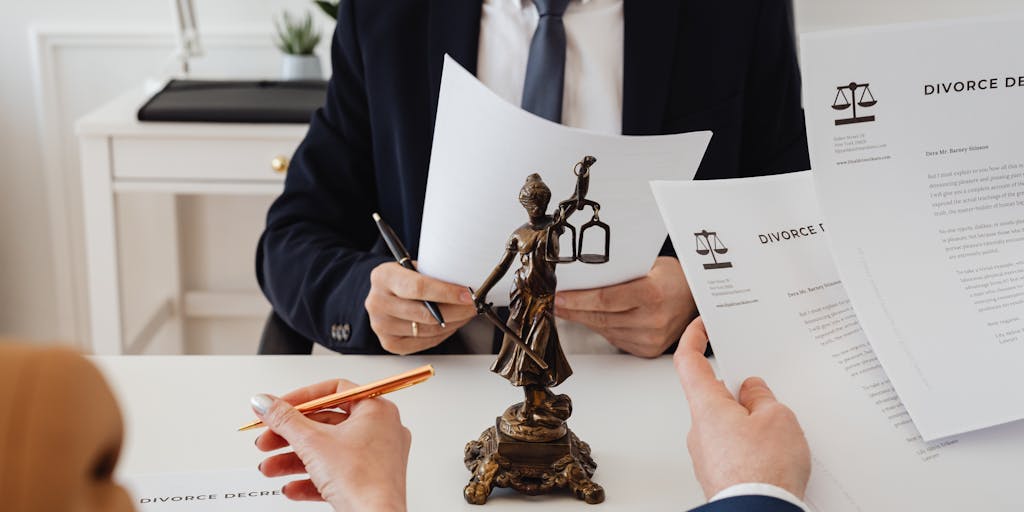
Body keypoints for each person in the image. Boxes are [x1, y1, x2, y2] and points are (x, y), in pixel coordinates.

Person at [257, 0, 810, 357]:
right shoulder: (386, 15)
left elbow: (804, 222)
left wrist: (705, 296)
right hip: (440, 393)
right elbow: (291, 240)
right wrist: (369, 297)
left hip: (667, 395)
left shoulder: (740, 14)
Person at [250, 315, 812, 511]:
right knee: (528, 368)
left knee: (539, 369)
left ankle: (541, 404)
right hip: (519, 311)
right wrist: (757, 496)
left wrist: (373, 502)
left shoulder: (545, 230)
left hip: (560, 324)